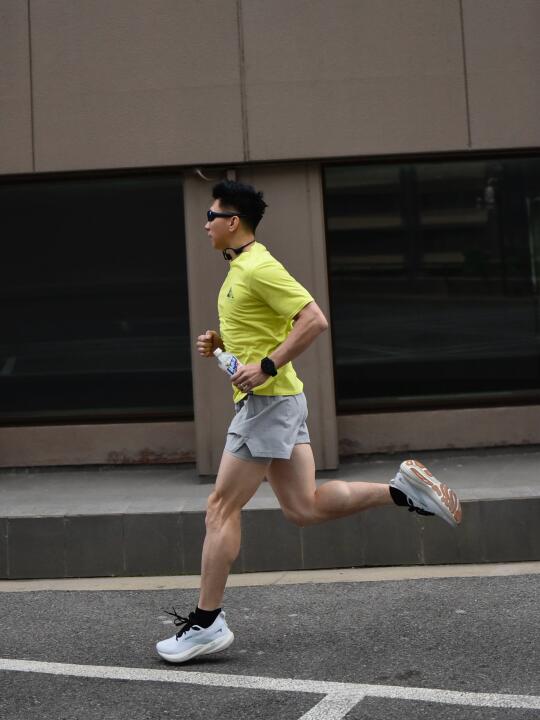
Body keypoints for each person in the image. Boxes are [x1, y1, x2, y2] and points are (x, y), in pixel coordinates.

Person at [156, 180, 462, 664]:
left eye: (211, 216)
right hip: (280, 402)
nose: (205, 224)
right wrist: (222, 348)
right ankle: (403, 491)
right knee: (304, 507)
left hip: (267, 406)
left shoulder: (259, 267)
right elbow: (260, 340)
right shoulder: (240, 269)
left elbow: (314, 319)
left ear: (233, 222)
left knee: (220, 508)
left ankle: (207, 622)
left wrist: (268, 365)